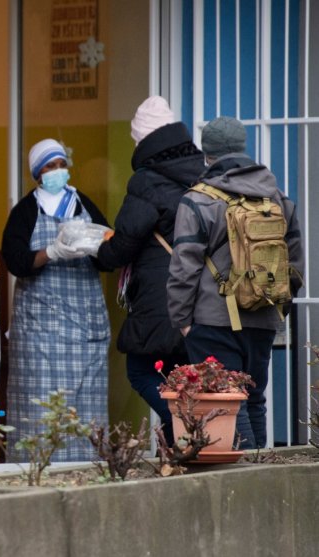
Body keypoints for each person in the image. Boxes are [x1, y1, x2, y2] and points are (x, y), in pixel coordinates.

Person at [167, 116, 304, 450]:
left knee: (225, 399)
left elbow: (184, 267)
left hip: (213, 319)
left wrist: (182, 321)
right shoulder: (277, 197)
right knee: (254, 398)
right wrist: (277, 308)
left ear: (207, 152)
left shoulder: (197, 199)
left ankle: (244, 473)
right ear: (243, 146)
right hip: (263, 315)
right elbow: (295, 263)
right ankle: (259, 470)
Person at [94, 96, 202, 445]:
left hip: (162, 295)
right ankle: (179, 449)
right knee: (180, 374)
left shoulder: (147, 182)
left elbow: (125, 242)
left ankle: (190, 422)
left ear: (143, 140)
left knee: (141, 371)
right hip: (201, 293)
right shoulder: (202, 173)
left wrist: (100, 252)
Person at [1, 138, 110, 462]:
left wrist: (94, 246)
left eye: (61, 164)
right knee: (40, 405)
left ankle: (87, 466)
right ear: (38, 173)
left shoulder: (84, 204)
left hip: (85, 327)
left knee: (85, 406)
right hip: (40, 330)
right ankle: (36, 466)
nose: (57, 171)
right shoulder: (25, 211)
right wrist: (51, 252)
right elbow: (16, 261)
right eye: (50, 166)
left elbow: (110, 254)